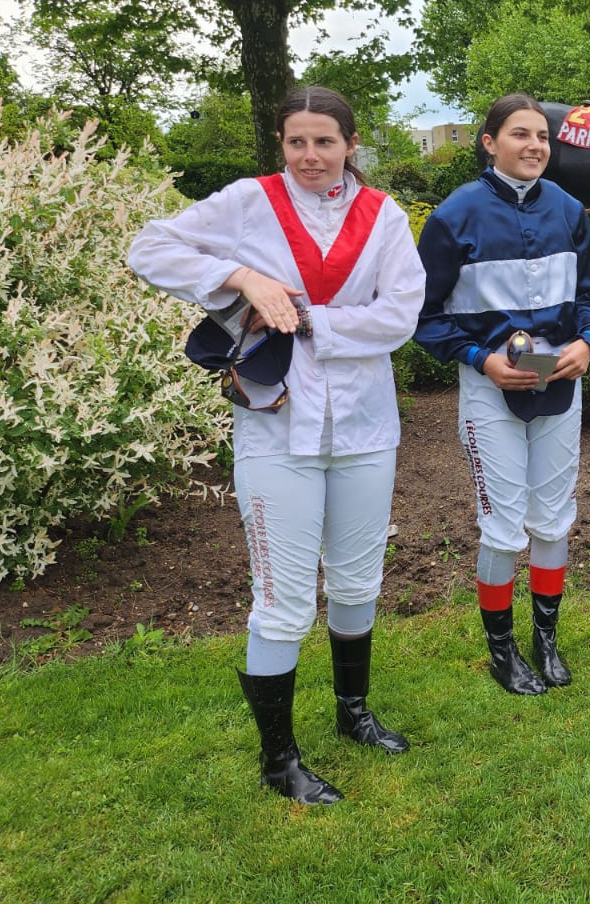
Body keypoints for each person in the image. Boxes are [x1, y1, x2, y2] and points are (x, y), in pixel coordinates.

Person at [128, 85, 426, 806]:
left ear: (351, 145)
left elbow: (401, 315)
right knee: (284, 599)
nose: (311, 155)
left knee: (358, 585)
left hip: (363, 427)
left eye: (325, 141)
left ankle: (354, 713)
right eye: (297, 141)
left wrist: (309, 319)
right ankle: (278, 758)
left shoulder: (383, 216)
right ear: (281, 145)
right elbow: (148, 246)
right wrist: (242, 277)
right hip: (275, 426)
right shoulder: (247, 201)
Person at [414, 93, 590, 696]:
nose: (534, 147)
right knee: (502, 526)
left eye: (543, 138)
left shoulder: (570, 210)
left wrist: (589, 342)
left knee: (552, 523)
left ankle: (545, 640)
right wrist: (481, 360)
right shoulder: (455, 215)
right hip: (489, 389)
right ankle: (502, 650)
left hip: (560, 383)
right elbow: (423, 315)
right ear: (489, 142)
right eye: (520, 135)